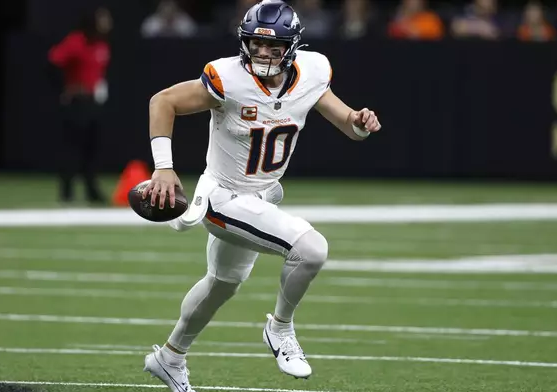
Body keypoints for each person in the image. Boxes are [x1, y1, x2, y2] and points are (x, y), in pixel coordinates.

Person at [141, 1, 382, 390]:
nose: (263, 54)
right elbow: (163, 101)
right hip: (224, 197)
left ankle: (169, 356)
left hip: (263, 196)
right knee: (312, 249)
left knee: (222, 283)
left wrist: (360, 122)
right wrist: (163, 166)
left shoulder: (312, 72)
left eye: (273, 47)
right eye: (256, 45)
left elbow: (349, 126)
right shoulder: (228, 78)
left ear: (293, 47)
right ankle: (280, 328)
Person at [48, 7, 112, 205]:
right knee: (72, 149)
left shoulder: (102, 46)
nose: (108, 22)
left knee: (92, 148)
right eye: (103, 18)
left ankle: (91, 190)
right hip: (77, 103)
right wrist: (66, 89)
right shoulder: (76, 41)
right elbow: (53, 62)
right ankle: (66, 191)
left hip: (94, 103)